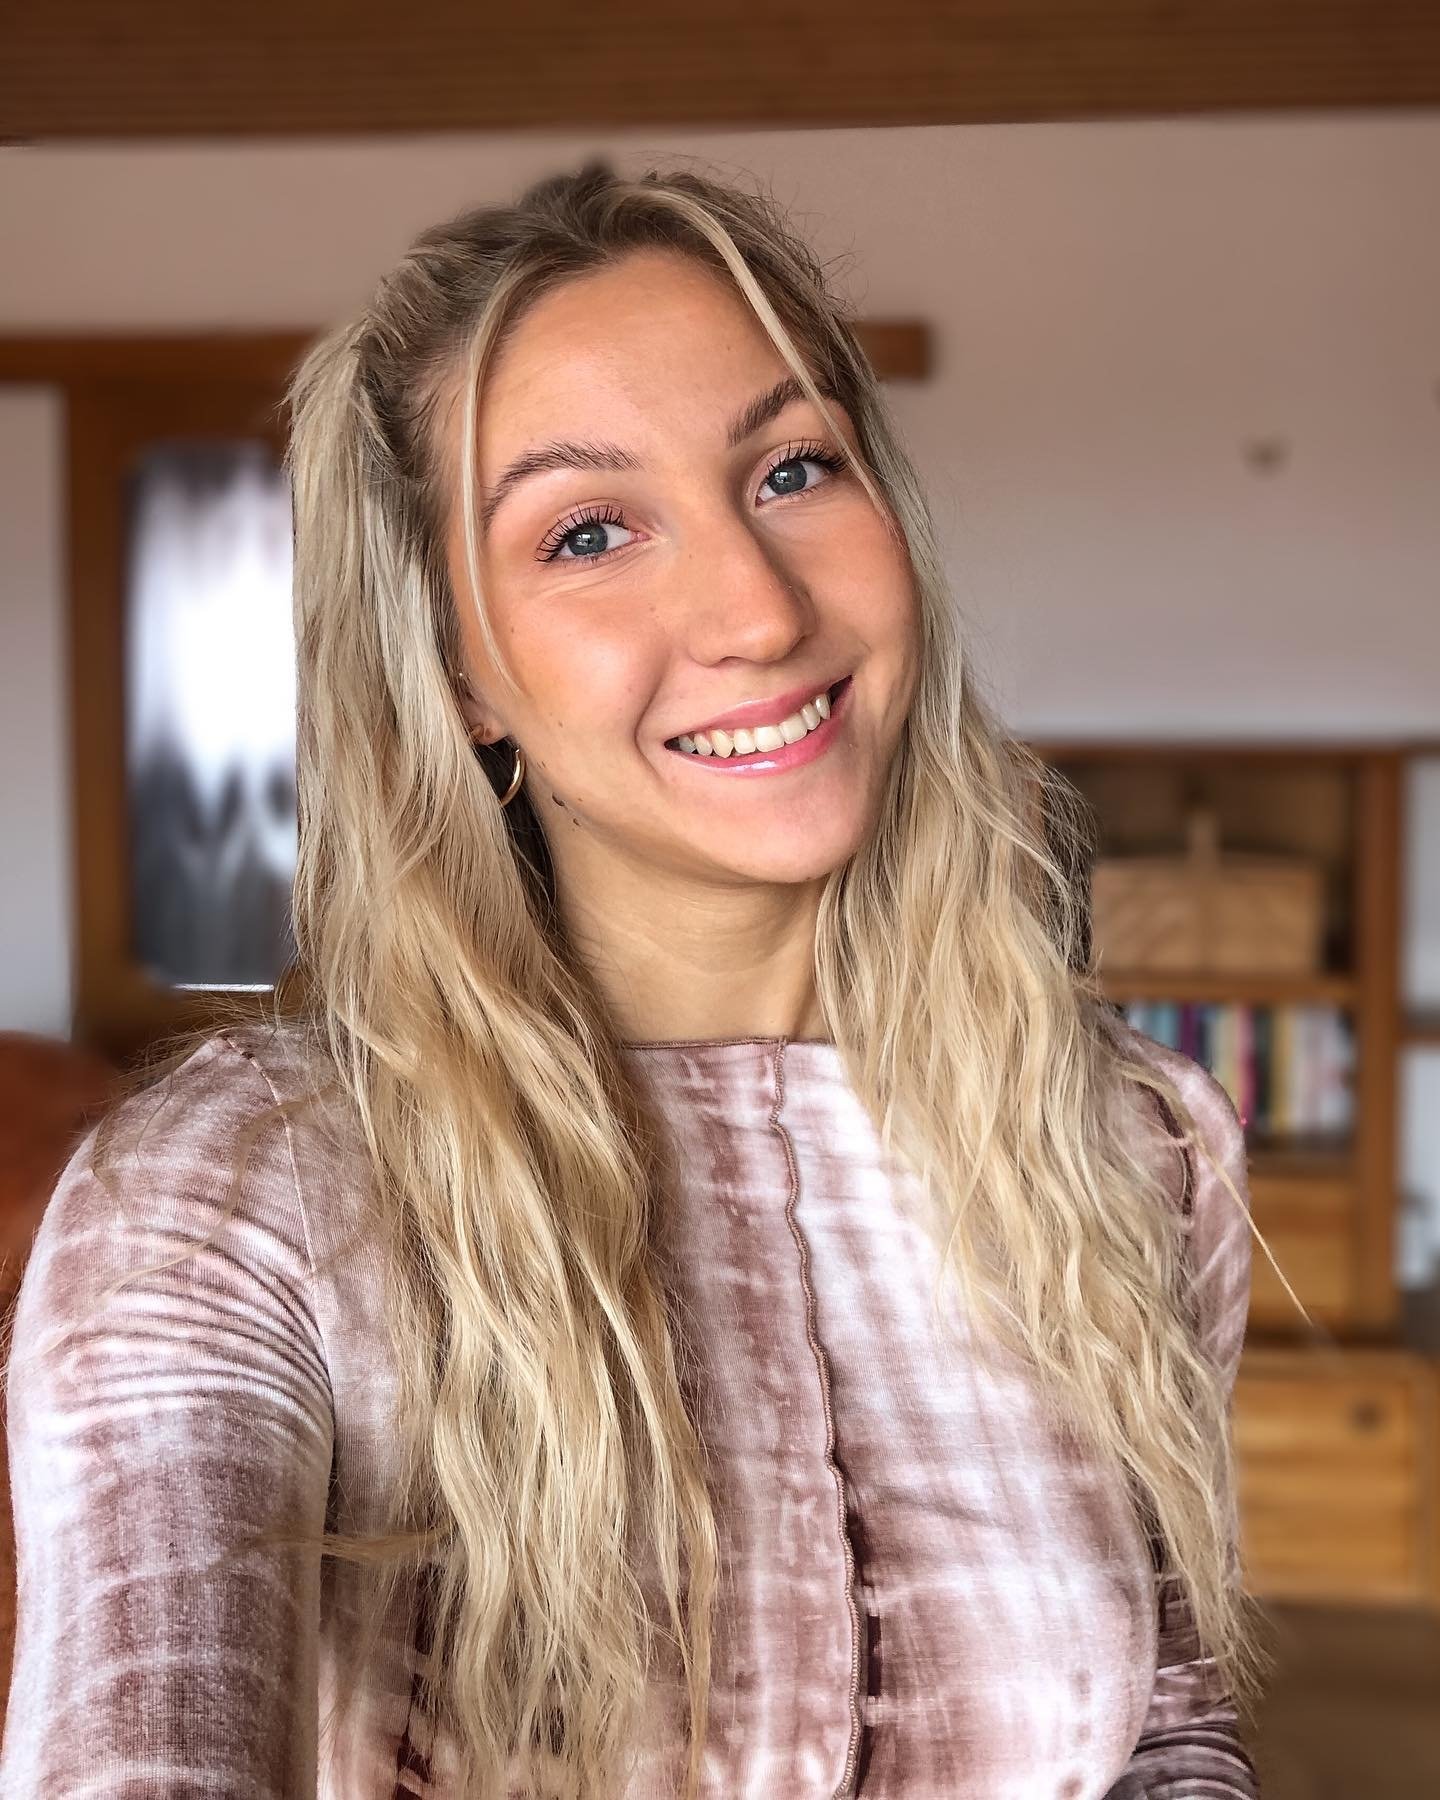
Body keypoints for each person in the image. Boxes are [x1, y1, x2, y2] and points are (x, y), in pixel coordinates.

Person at [0, 158, 1265, 1798]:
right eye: (588, 532)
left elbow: (1168, 1726)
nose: (756, 609)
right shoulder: (237, 1196)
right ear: (459, 674)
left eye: (793, 468)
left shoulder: (1136, 1145)